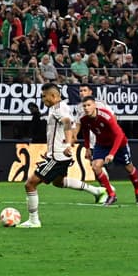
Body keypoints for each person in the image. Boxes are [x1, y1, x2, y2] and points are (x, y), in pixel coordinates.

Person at [19, 84, 109, 228]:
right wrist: (62, 144)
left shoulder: (58, 109)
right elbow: (69, 127)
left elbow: (67, 123)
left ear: (53, 96)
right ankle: (97, 191)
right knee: (58, 182)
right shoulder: (63, 107)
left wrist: (67, 145)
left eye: (44, 96)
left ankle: (34, 220)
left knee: (30, 184)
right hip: (59, 155)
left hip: (57, 157)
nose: (43, 99)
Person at [76, 97, 138, 205]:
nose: (86, 108)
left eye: (89, 105)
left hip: (119, 143)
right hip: (101, 144)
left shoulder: (106, 116)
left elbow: (119, 135)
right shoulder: (83, 118)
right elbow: (85, 131)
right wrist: (87, 147)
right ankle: (111, 194)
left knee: (129, 167)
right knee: (95, 166)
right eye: (84, 106)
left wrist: (112, 153)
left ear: (94, 105)